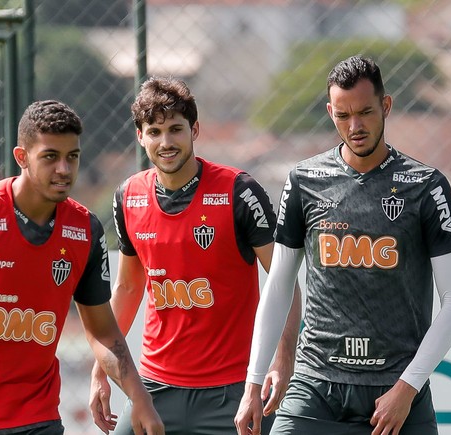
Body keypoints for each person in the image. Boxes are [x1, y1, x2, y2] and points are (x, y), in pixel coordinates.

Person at [234, 55, 451, 435]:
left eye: (365, 113)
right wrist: (253, 382)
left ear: (386, 106)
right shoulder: (304, 180)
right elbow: (278, 286)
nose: (355, 126)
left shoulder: (427, 186)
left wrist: (406, 390)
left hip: (394, 391)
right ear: (330, 111)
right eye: (343, 116)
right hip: (316, 386)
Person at [0, 100, 163, 435]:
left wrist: (140, 399)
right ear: (22, 157)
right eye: (50, 157)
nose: (64, 170)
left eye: (73, 157)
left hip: (37, 420)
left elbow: (102, 331)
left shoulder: (86, 230)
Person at [88, 77, 302, 435]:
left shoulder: (240, 192)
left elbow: (284, 284)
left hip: (232, 391)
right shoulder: (128, 196)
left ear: (195, 130)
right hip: (154, 388)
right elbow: (127, 289)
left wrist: (283, 359)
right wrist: (100, 370)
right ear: (140, 136)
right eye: (154, 131)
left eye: (175, 129)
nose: (166, 142)